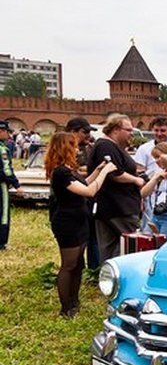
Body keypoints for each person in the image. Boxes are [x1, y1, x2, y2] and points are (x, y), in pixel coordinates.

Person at [44, 132, 117, 317]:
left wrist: (99, 170)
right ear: (65, 148)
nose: (77, 149)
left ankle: (74, 301)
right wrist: (106, 173)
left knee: (78, 264)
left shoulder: (68, 170)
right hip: (67, 223)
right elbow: (89, 191)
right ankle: (66, 307)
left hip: (79, 221)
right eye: (73, 146)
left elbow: (84, 182)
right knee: (68, 265)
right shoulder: (60, 172)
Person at [88, 113, 145, 262]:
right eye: (129, 130)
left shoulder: (110, 146)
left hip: (112, 207)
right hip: (118, 207)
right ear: (115, 130)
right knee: (133, 245)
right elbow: (114, 173)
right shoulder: (106, 146)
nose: (131, 134)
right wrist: (136, 180)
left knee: (112, 249)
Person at [134, 116, 167, 232]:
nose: (159, 134)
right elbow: (141, 188)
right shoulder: (144, 149)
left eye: (162, 130)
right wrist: (157, 177)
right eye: (156, 130)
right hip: (154, 206)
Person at [65, 117, 100, 269]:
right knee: (75, 243)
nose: (88, 135)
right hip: (71, 200)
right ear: (73, 131)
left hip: (85, 199)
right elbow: (73, 172)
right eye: (84, 132)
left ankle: (92, 267)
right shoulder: (65, 149)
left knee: (92, 235)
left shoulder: (87, 147)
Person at [0, 120, 22, 250]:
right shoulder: (3, 149)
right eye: (7, 132)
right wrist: (16, 185)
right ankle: (1, 242)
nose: (9, 135)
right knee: (3, 213)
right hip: (1, 185)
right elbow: (6, 170)